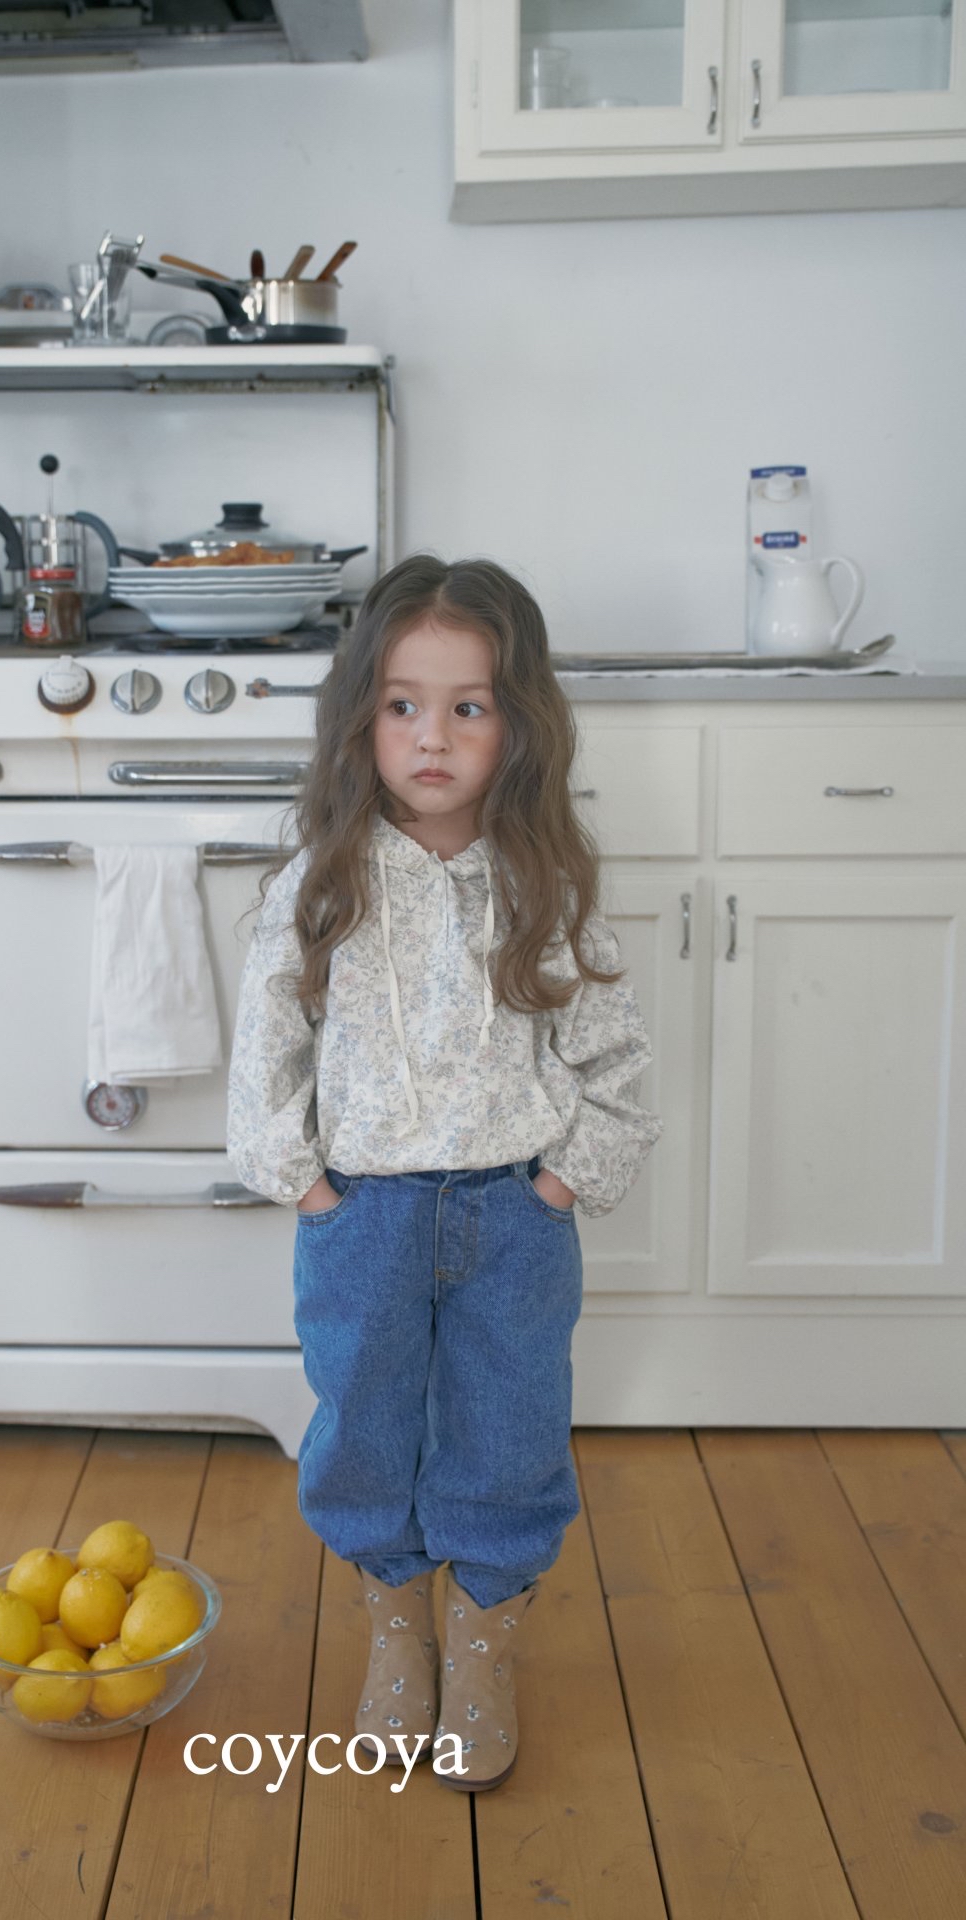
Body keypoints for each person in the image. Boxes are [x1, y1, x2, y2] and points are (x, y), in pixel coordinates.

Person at [225, 554, 665, 1792]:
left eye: (467, 706)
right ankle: (392, 1627)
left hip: (513, 1216)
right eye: (402, 705)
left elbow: (612, 1054)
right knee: (360, 1427)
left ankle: (480, 1638)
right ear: (360, 718)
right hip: (359, 1217)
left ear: (516, 725)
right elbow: (268, 1048)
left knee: (508, 1432)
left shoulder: (546, 883)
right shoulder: (320, 884)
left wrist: (564, 1183)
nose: (432, 737)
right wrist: (305, 1184)